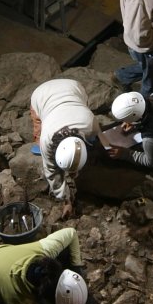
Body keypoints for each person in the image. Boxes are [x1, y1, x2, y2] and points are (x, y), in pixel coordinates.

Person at [30, 79, 96, 217]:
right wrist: (65, 199)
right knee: (38, 131)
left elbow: (96, 135)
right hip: (42, 95)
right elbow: (52, 173)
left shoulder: (89, 122)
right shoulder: (46, 140)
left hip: (74, 88)